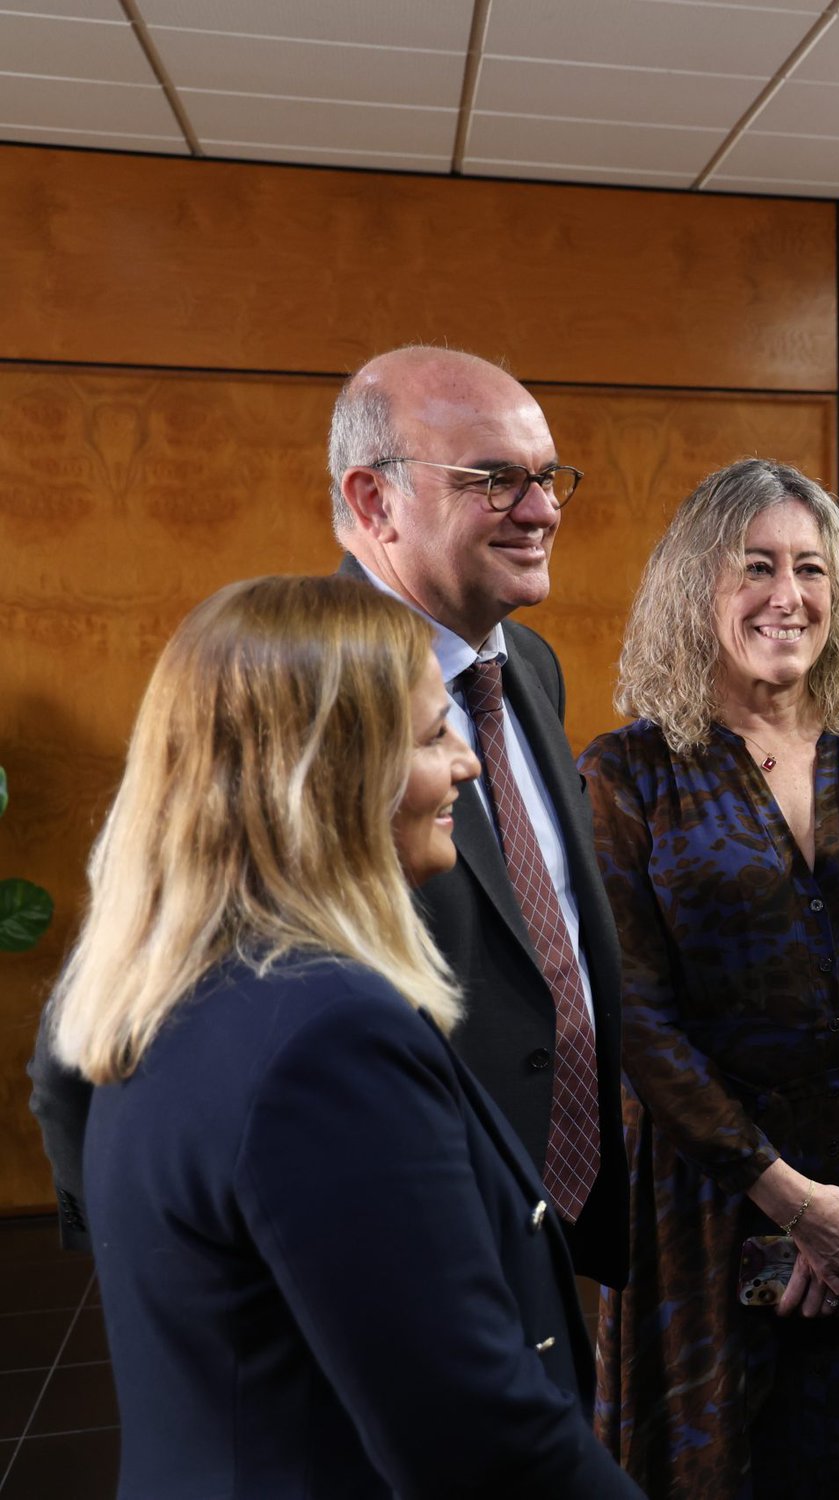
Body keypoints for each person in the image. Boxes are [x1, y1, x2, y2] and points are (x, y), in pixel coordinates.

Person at [29, 346, 631, 1292]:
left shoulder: (533, 669)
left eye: (549, 478)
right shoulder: (284, 686)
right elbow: (94, 1021)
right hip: (376, 1243)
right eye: (496, 479)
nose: (544, 510)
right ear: (374, 498)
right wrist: (160, 1263)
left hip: (544, 1222)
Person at [42, 575, 637, 1496]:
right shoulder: (327, 1041)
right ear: (331, 772)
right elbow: (480, 1442)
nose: (469, 765)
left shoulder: (172, 987)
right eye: (435, 736)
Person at [581, 458, 839, 1496]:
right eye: (755, 566)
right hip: (709, 1207)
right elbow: (638, 1020)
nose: (786, 596)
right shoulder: (626, 774)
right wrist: (792, 1201)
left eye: (812, 568)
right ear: (694, 590)